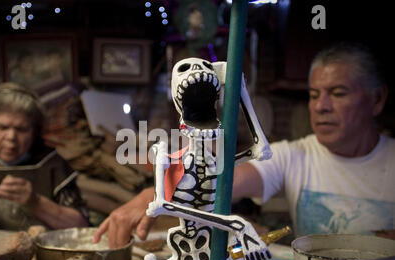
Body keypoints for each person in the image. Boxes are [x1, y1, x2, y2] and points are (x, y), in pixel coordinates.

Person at [94, 42, 394, 248]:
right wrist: (152, 193)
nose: (320, 106)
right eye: (314, 95)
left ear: (377, 99)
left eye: (338, 93)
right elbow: (219, 183)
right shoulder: (294, 155)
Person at [0, 82, 90, 230]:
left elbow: (82, 227)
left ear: (34, 132)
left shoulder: (52, 164)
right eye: (2, 127)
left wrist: (36, 203)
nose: (11, 137)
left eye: (22, 129)